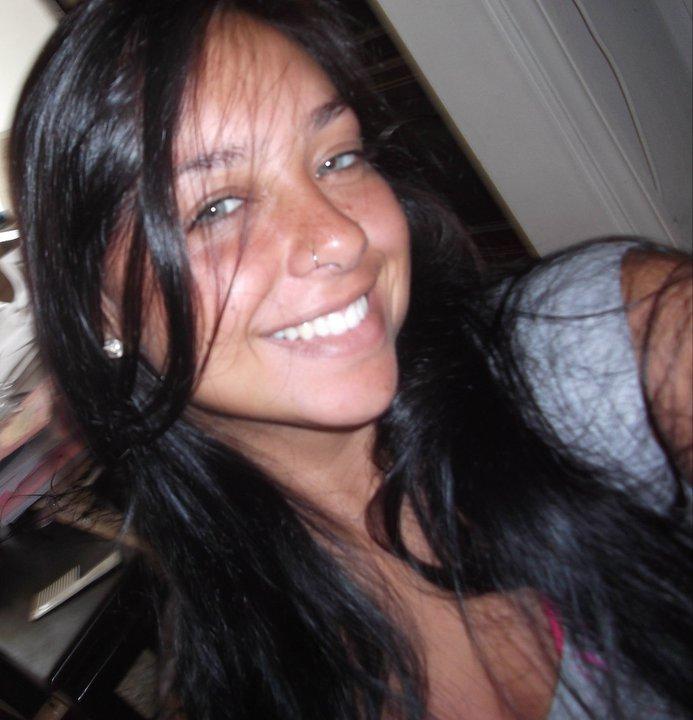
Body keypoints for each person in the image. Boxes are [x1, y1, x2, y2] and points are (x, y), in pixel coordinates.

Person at [9, 1, 691, 718]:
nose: (340, 236)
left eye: (336, 159)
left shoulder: (604, 348)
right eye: (215, 208)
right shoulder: (240, 682)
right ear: (100, 312)